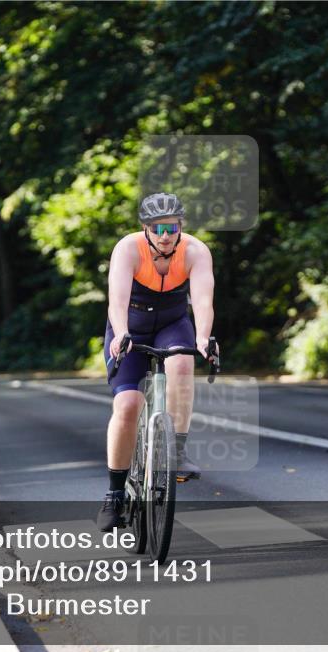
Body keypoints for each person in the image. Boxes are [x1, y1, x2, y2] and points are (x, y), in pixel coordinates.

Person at [97, 192, 218, 531]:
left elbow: (203, 300)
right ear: (145, 228)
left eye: (172, 227)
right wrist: (120, 334)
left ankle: (176, 450)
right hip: (131, 327)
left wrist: (203, 338)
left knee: (181, 363)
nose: (165, 235)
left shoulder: (195, 251)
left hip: (171, 323)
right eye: (158, 228)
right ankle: (115, 494)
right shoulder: (128, 249)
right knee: (128, 406)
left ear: (181, 226)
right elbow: (116, 302)